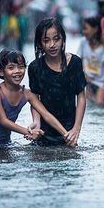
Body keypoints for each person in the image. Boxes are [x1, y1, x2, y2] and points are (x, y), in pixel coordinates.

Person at [0, 48, 71, 149]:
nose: (17, 71)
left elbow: (46, 114)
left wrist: (66, 135)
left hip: (4, 143)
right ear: (1, 72)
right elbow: (3, 121)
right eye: (11, 68)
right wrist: (29, 132)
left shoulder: (26, 93)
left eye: (21, 67)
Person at [28, 18, 87, 146]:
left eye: (56, 39)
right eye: (46, 40)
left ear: (63, 39)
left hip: (69, 131)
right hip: (44, 133)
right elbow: (35, 99)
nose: (52, 45)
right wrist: (36, 122)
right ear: (39, 43)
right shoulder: (35, 68)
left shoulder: (75, 63)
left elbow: (81, 97)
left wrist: (76, 129)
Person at [77, 16, 104, 104]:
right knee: (89, 107)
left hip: (101, 82)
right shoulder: (83, 42)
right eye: (83, 29)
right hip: (87, 81)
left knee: (99, 106)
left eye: (86, 29)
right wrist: (83, 77)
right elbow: (79, 61)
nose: (84, 32)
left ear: (95, 29)